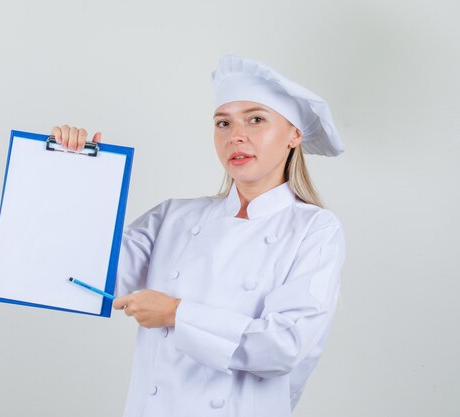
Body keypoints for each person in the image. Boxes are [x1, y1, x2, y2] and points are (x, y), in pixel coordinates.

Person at [51, 55, 346, 417]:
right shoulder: (172, 217)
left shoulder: (314, 229)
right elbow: (81, 278)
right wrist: (72, 172)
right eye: (223, 123)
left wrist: (176, 313)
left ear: (293, 135)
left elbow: (282, 347)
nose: (235, 135)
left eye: (256, 119)